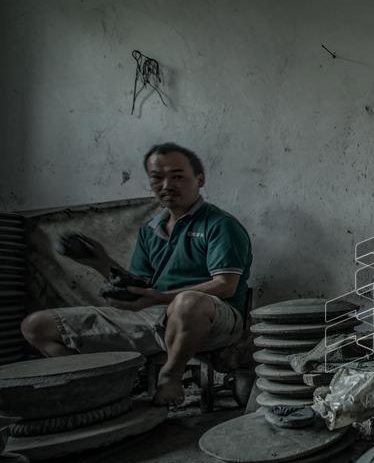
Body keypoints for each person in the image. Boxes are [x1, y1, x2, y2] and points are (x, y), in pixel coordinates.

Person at [20, 143, 253, 408]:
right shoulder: (149, 231)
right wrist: (100, 261)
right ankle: (99, 391)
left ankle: (171, 376)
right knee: (37, 326)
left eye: (177, 176)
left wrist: (161, 297)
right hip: (152, 317)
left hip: (213, 320)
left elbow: (226, 286)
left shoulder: (220, 225)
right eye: (157, 177)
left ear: (199, 179)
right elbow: (140, 285)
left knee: (188, 302)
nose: (167, 185)